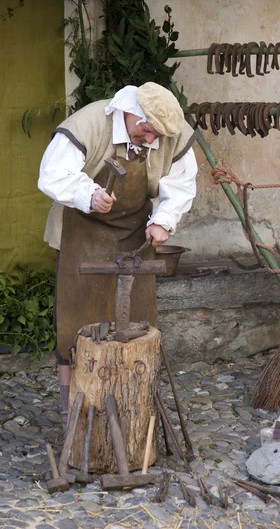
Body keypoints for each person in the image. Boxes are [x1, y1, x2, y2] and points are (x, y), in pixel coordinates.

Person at [38, 82, 197, 427]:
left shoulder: (171, 132)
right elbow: (52, 174)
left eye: (157, 135)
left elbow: (182, 185)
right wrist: (89, 195)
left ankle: (134, 400)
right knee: (74, 322)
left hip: (132, 233)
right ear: (132, 113)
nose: (151, 140)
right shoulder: (89, 124)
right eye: (146, 131)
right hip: (80, 227)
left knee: (138, 318)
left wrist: (163, 222)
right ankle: (72, 406)